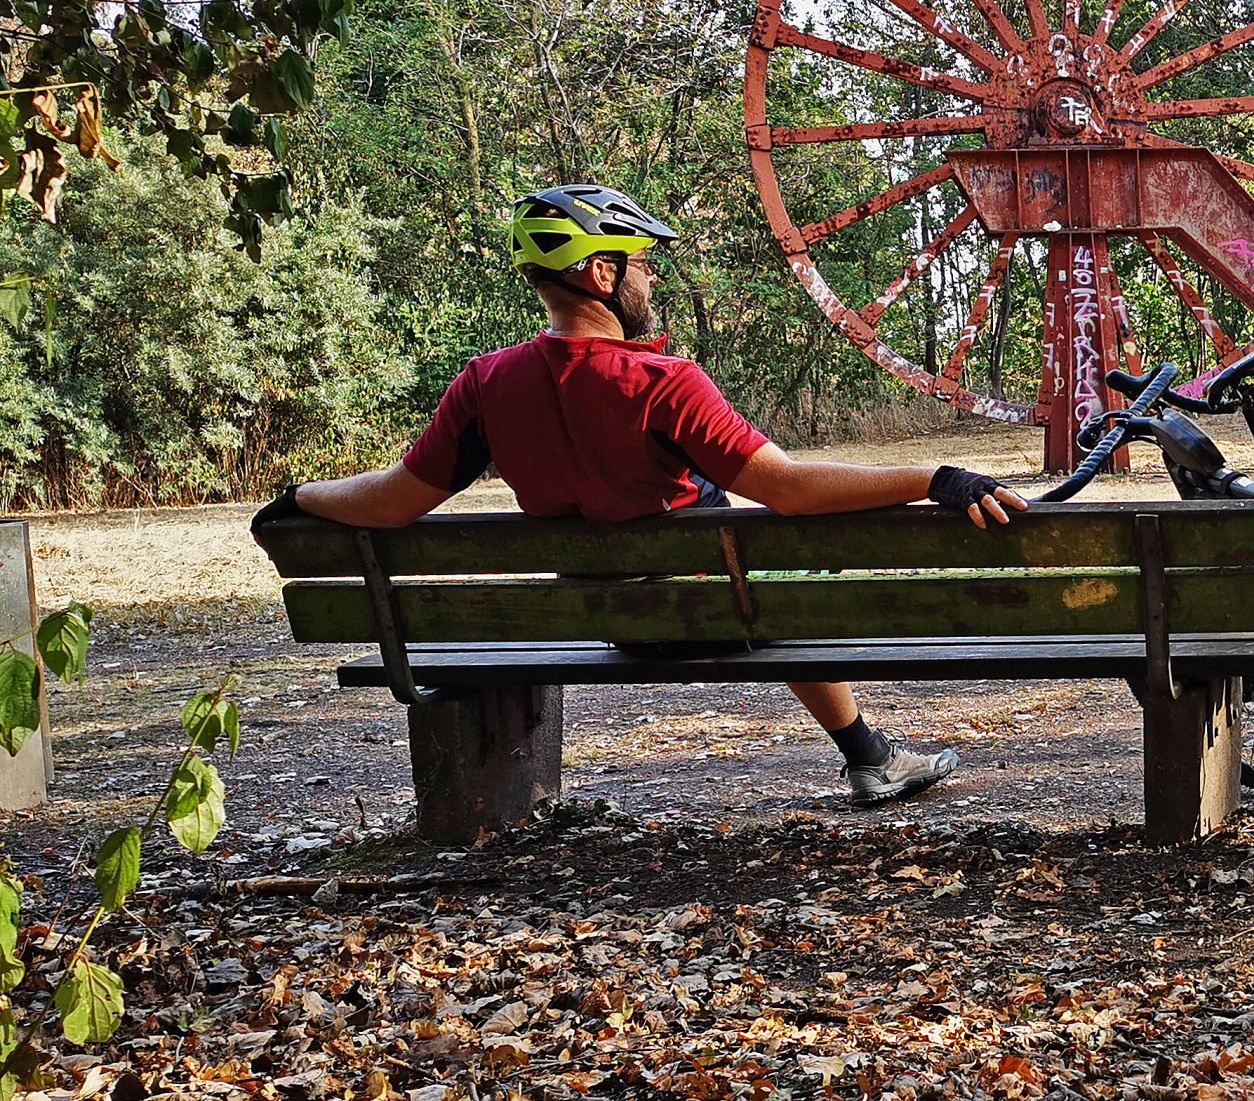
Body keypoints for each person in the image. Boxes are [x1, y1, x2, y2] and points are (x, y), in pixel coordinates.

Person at [252, 184, 1027, 804]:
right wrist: (935, 478)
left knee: (755, 571)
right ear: (600, 274)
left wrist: (301, 497)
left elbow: (391, 502)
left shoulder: (485, 387)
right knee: (785, 577)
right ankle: (870, 757)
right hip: (716, 614)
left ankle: (869, 755)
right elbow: (786, 489)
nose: (649, 276)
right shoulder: (664, 384)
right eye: (641, 261)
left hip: (609, 619)